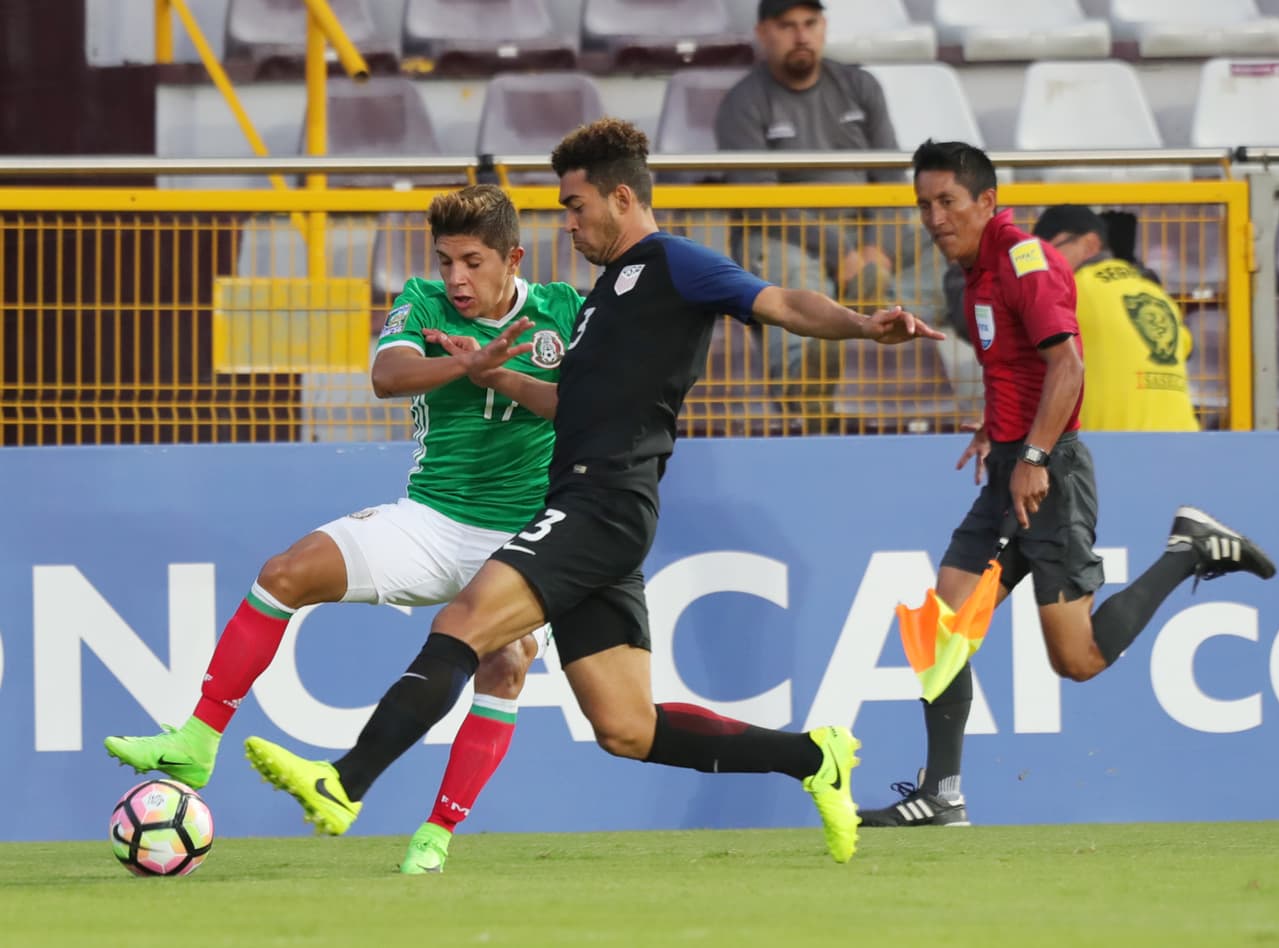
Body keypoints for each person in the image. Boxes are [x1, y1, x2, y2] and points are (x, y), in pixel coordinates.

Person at [239, 117, 945, 865]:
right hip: (591, 508)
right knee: (626, 729)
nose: (566, 224)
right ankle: (814, 757)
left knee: (465, 621)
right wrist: (491, 371)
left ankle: (343, 783)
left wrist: (865, 326)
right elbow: (567, 403)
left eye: (574, 207)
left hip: (601, 502)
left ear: (619, 197)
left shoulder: (675, 264)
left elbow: (780, 302)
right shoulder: (606, 294)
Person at [105, 184, 582, 873]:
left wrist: (497, 374)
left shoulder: (564, 312)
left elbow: (582, 407)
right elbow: (387, 377)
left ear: (513, 258)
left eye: (472, 262)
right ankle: (197, 739)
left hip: (518, 540)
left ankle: (435, 837)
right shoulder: (421, 300)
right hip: (428, 522)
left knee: (505, 667)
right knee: (284, 573)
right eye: (446, 260)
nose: (456, 278)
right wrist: (463, 363)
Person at [859, 141, 1275, 828]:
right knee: (943, 622)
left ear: (987, 201)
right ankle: (943, 793)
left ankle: (1189, 551)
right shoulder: (976, 271)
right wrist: (997, 429)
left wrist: (1034, 453)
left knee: (1076, 659)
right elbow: (1018, 368)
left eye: (947, 201)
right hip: (1010, 469)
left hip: (1047, 474)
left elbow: (1069, 368)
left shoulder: (1028, 261)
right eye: (924, 204)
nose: (934, 217)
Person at [714, 0, 923, 424]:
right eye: (787, 26)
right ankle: (801, 386)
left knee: (945, 246)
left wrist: (877, 249)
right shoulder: (743, 101)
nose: (801, 35)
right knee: (786, 272)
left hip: (866, 233)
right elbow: (760, 199)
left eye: (810, 24)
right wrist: (841, 253)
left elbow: (890, 180)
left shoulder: (860, 85)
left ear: (824, 27)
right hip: (783, 232)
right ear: (764, 33)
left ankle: (998, 362)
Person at [1032, 204, 1199, 432]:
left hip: (1111, 449)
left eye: (1048, 253)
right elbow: (1187, 347)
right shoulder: (1156, 293)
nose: (1042, 266)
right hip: (1184, 444)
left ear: (1090, 243)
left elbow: (993, 329)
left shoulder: (1071, 291)